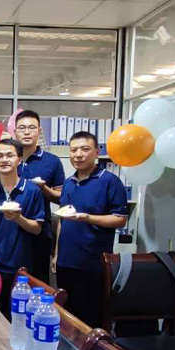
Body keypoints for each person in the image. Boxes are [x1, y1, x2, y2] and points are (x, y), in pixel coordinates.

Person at [53, 131, 128, 328]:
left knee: (90, 319)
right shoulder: (69, 182)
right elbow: (62, 220)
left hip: (93, 263)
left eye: (84, 149)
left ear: (97, 152)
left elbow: (120, 219)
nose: (78, 154)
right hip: (65, 262)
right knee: (67, 317)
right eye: (73, 150)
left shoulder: (109, 181)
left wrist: (88, 218)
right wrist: (57, 254)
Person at [0, 139, 45, 318]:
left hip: (22, 267)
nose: (4, 160)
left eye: (10, 155)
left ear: (19, 159)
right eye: (0, 156)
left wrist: (18, 218)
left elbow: (37, 229)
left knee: (18, 317)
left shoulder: (32, 191)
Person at [14, 110, 65, 283]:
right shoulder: (7, 159)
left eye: (31, 128)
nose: (27, 132)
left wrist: (44, 188)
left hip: (39, 230)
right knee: (10, 280)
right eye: (22, 128)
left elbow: (60, 198)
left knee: (39, 281)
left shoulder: (52, 161)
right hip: (9, 230)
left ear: (39, 131)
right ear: (15, 131)